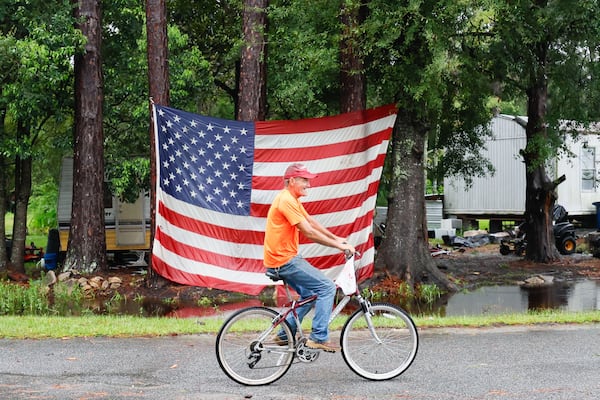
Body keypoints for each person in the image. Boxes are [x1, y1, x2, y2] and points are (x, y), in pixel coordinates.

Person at [264, 163, 355, 352]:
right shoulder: (286, 200)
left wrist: (336, 238)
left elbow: (311, 222)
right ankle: (319, 337)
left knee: (311, 293)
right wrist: (339, 246)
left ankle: (284, 334)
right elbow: (308, 233)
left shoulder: (291, 199)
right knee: (327, 287)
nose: (309, 185)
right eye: (304, 180)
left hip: (283, 259)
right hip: (285, 261)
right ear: (291, 181)